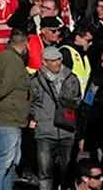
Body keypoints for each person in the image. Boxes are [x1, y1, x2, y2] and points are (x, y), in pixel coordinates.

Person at [0, 29, 31, 190]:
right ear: (25, 45)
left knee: (8, 164)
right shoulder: (13, 61)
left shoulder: (3, 57)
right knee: (3, 163)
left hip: (8, 117)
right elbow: (3, 88)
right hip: (7, 118)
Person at [29, 46, 82, 190]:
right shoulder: (35, 81)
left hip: (67, 130)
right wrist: (36, 118)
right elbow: (30, 103)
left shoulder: (71, 78)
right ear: (45, 62)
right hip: (45, 132)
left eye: (59, 59)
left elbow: (78, 100)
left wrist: (68, 101)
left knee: (67, 171)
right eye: (53, 60)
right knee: (45, 173)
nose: (57, 63)